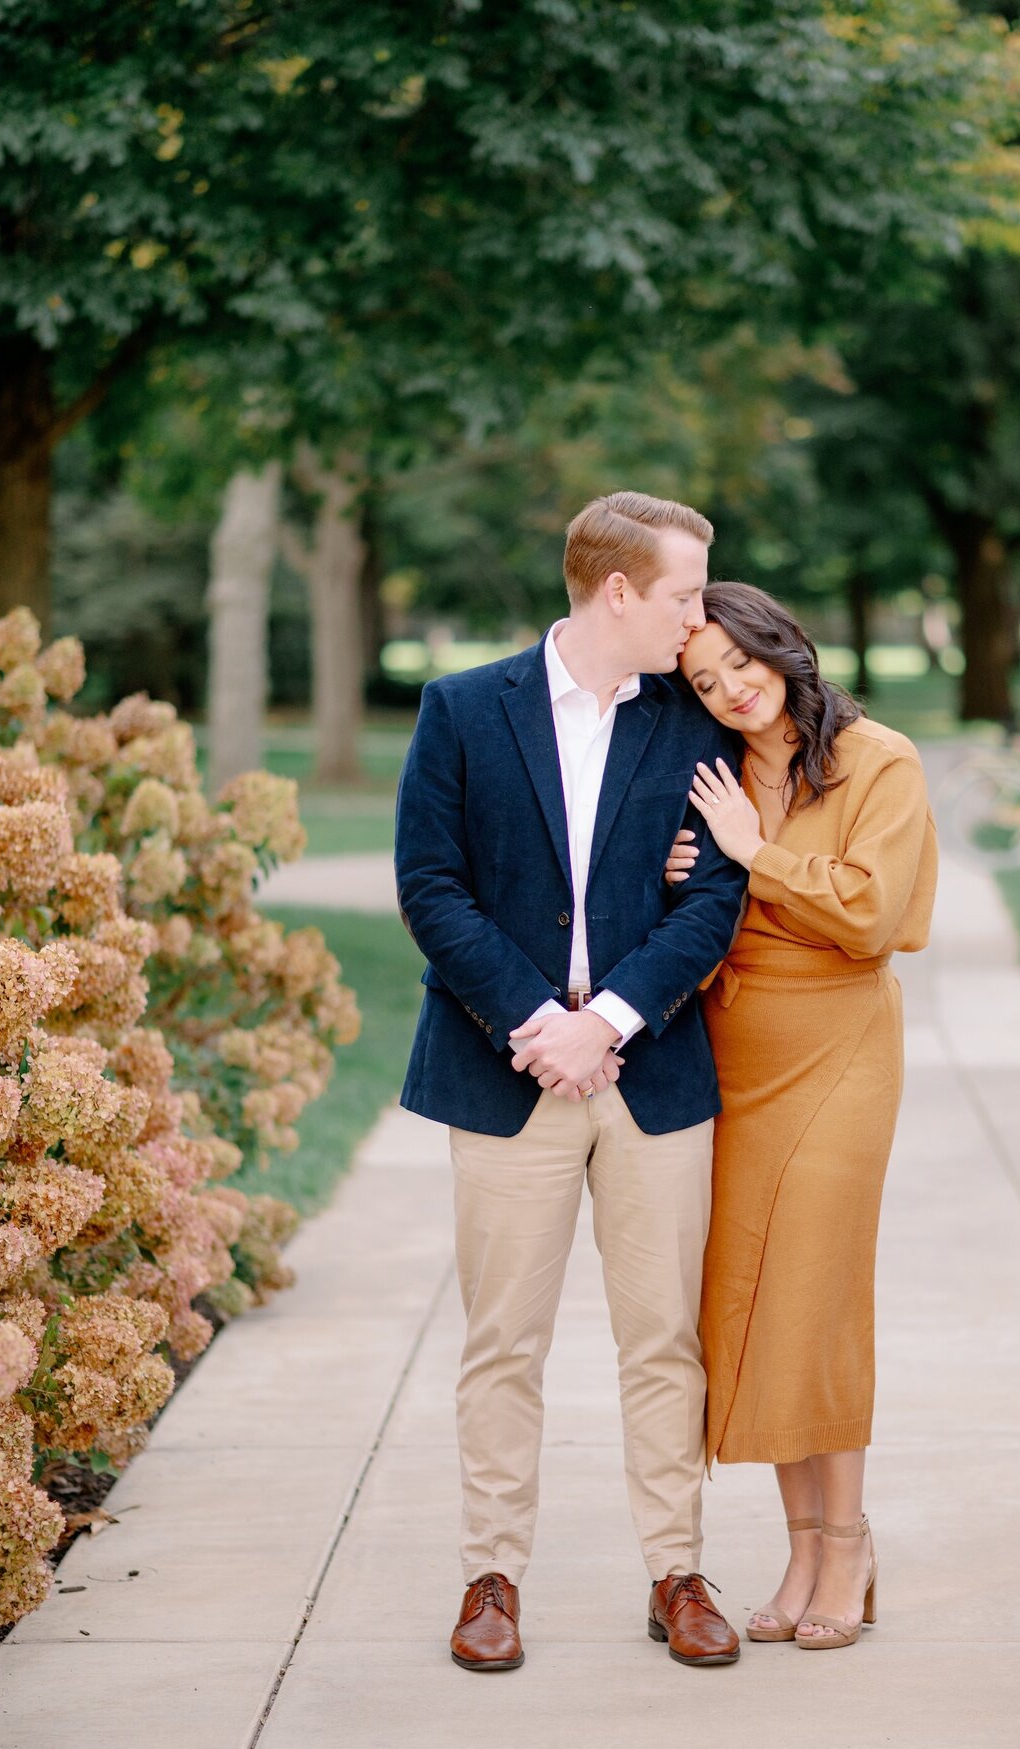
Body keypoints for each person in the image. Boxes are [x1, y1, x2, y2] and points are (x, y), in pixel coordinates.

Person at [394, 493, 750, 1673]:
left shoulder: (693, 725)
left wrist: (608, 1018)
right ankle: (489, 1576)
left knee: (666, 1340)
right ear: (616, 591)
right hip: (509, 1075)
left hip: (651, 1076)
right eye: (686, 596)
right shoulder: (460, 710)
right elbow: (431, 887)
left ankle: (677, 1570)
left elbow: (711, 899)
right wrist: (543, 1021)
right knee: (504, 1341)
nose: (698, 620)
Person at [666, 579, 937, 1651]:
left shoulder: (881, 760)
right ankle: (802, 1548)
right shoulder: (716, 770)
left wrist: (750, 857)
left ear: (784, 647)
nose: (731, 688)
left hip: (840, 1049)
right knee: (757, 1300)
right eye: (704, 678)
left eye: (742, 662)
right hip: (737, 1049)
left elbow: (869, 916)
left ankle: (852, 1540)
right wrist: (692, 871)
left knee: (818, 1295)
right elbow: (693, 907)